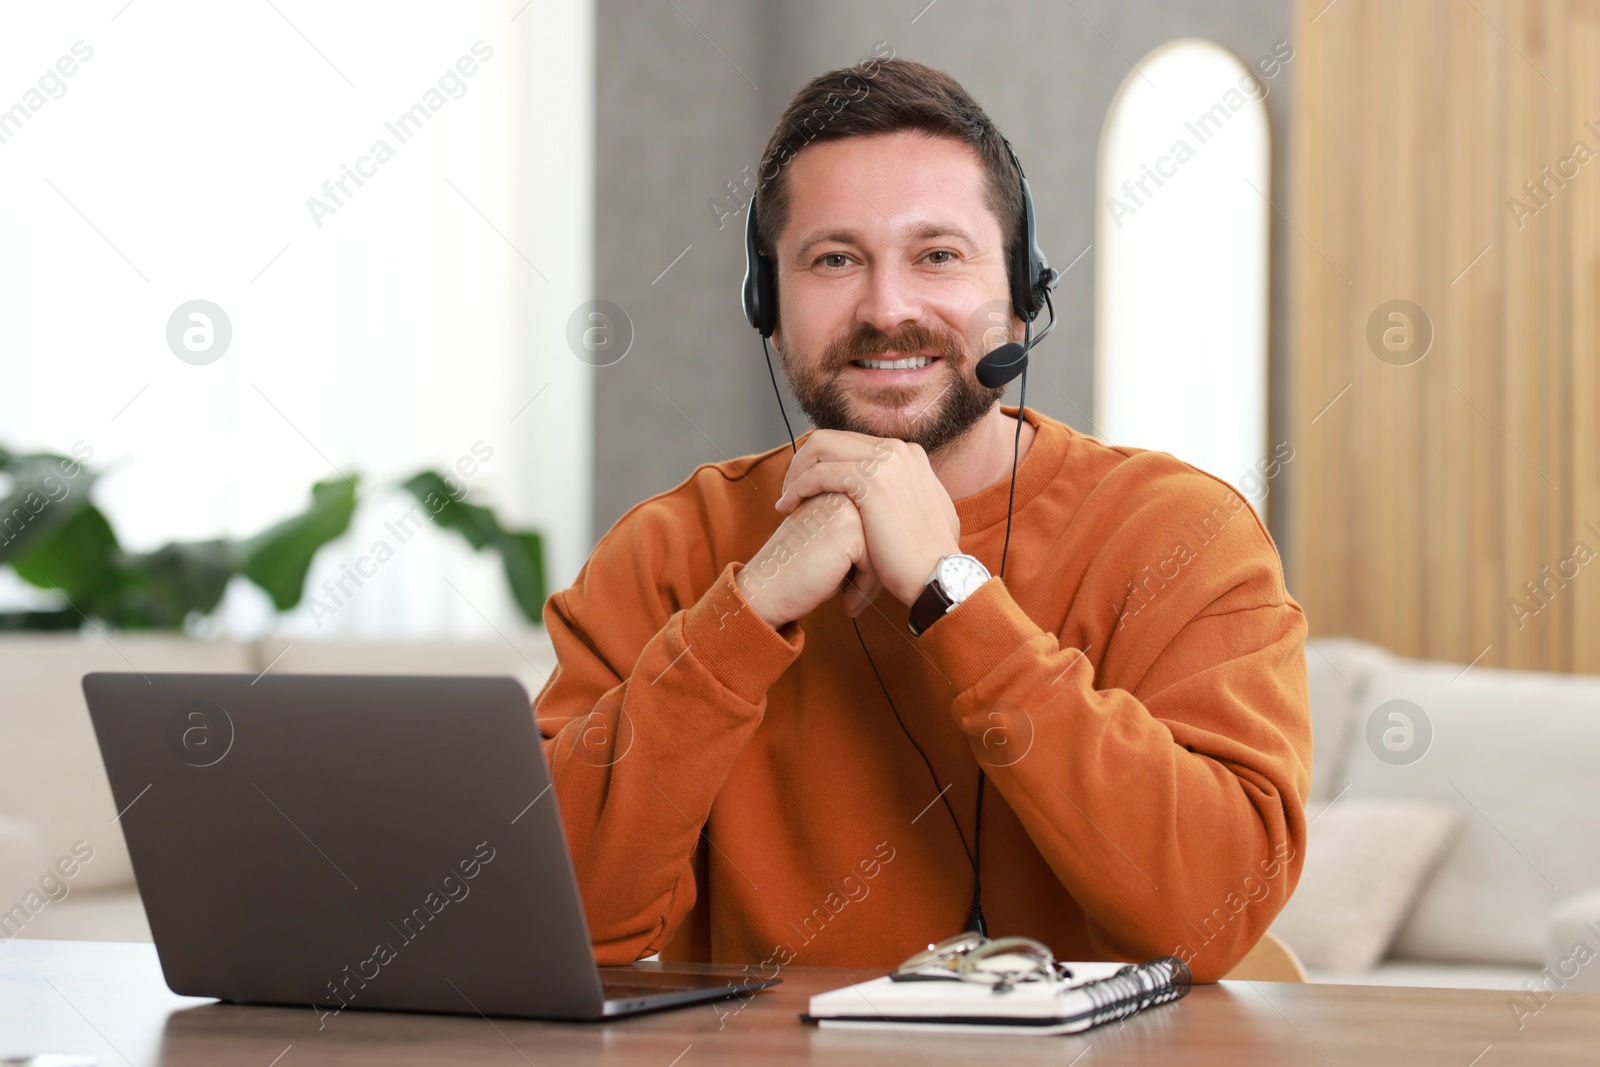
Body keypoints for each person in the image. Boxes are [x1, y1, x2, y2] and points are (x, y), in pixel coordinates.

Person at [535, 57, 1311, 983]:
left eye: (938, 255)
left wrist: (954, 591)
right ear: (766, 304)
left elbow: (1212, 911)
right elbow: (561, 925)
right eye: (834, 259)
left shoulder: (1181, 537)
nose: (888, 308)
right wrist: (742, 616)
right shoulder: (669, 550)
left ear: (1023, 294)